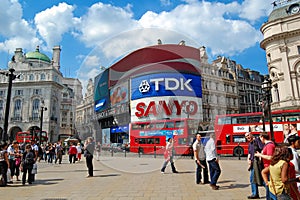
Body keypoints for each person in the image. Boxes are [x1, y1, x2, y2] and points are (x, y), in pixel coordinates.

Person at [255, 132, 276, 200]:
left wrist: (260, 155)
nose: (260, 139)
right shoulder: (266, 145)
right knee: (267, 185)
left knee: (269, 185)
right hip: (266, 167)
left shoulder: (269, 145)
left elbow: (270, 157)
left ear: (262, 137)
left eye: (260, 137)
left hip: (269, 167)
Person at [245, 132, 264, 199]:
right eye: (246, 136)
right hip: (253, 163)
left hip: (257, 163)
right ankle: (255, 193)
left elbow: (262, 149)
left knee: (256, 179)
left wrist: (260, 158)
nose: (247, 137)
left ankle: (255, 193)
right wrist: (248, 160)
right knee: (254, 178)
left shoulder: (257, 140)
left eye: (248, 135)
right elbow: (249, 153)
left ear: (251, 134)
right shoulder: (250, 144)